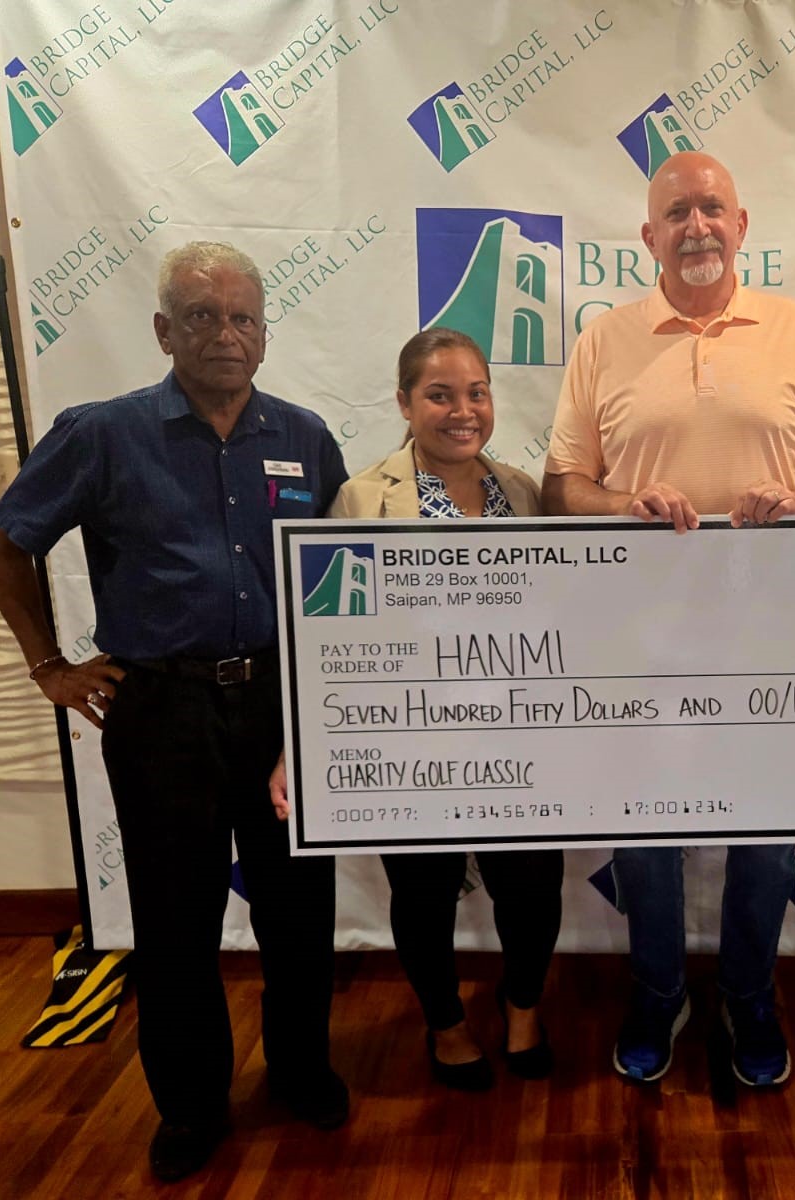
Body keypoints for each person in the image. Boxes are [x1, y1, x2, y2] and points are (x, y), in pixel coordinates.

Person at [0, 242, 350, 1183]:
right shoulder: (102, 434)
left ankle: (301, 1071)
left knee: (299, 911)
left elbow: (342, 573)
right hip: (161, 712)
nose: (226, 334)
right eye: (202, 316)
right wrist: (48, 666)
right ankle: (190, 1106)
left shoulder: (305, 438)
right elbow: (3, 539)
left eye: (243, 317)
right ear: (163, 331)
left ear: (264, 332)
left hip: (280, 707)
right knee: (176, 921)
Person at [542, 151, 795, 1087]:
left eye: (712, 209)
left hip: (772, 637)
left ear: (741, 224)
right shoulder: (604, 339)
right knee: (646, 837)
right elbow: (563, 485)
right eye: (678, 212)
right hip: (640, 642)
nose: (697, 227)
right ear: (649, 236)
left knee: (764, 839)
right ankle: (657, 994)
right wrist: (625, 504)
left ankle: (750, 998)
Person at [270, 328, 563, 1090]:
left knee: (533, 888)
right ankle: (447, 1024)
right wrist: (303, 742)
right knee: (425, 892)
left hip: (519, 737)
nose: (463, 411)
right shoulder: (360, 500)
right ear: (404, 403)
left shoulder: (523, 494)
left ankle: (522, 1008)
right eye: (440, 395)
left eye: (476, 393)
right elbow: (328, 635)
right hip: (409, 740)